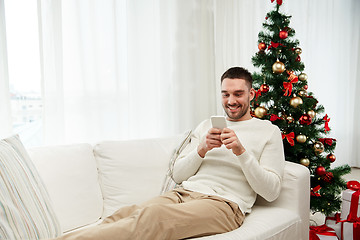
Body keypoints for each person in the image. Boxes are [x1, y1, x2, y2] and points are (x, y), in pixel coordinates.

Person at [56, 67, 285, 240]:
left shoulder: (268, 131)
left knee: (152, 219)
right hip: (185, 193)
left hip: (224, 205)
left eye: (238, 94)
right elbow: (177, 174)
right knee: (127, 213)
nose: (231, 101)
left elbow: (271, 190)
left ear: (251, 94)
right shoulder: (207, 125)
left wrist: (241, 152)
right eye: (225, 94)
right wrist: (201, 149)